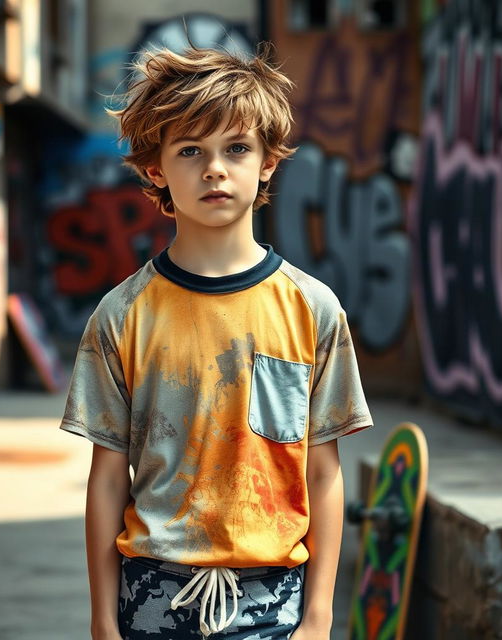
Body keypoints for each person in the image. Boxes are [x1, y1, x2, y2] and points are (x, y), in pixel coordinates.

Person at [59, 42, 374, 640]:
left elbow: (324, 474)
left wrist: (319, 617)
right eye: (189, 151)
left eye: (236, 148)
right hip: (150, 597)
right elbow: (107, 476)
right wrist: (103, 619)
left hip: (275, 603)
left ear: (268, 162)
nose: (214, 169)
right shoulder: (123, 314)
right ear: (156, 169)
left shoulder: (312, 309)